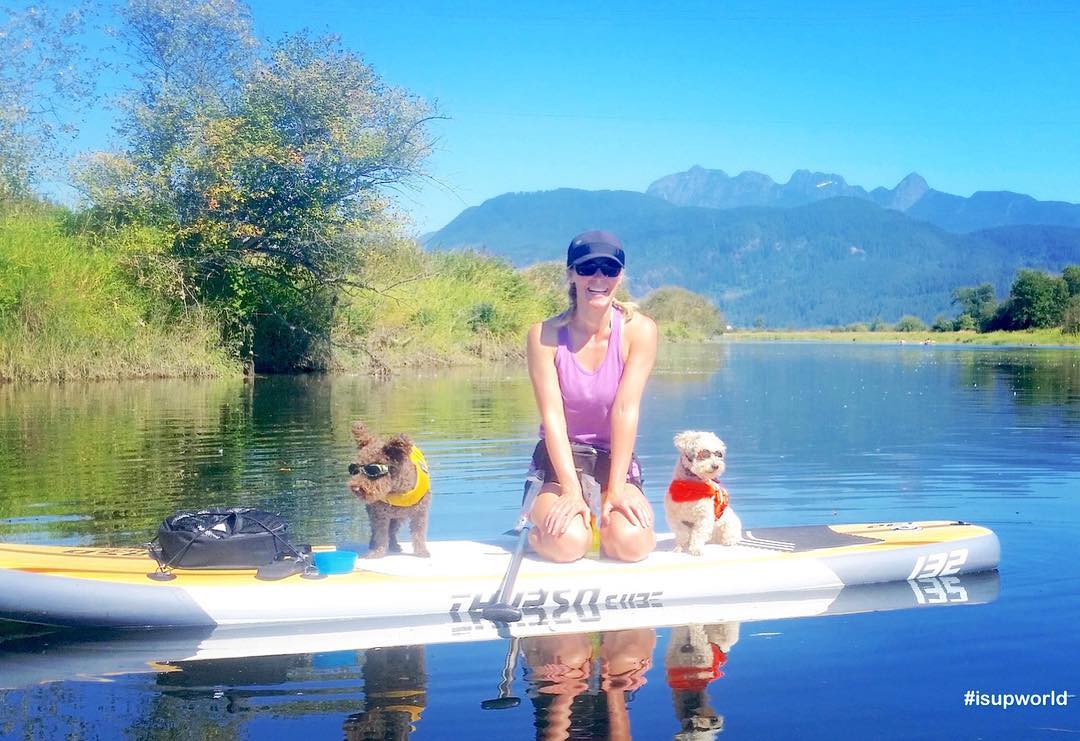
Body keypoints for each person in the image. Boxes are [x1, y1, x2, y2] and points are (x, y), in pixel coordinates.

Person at [525, 230, 658, 562]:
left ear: (620, 276)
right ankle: (535, 528)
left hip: (613, 459)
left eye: (609, 269)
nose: (598, 277)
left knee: (631, 545)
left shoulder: (639, 331)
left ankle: (604, 520)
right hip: (560, 461)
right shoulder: (544, 335)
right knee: (568, 545)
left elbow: (626, 411)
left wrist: (615, 489)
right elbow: (553, 418)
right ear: (571, 273)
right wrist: (570, 488)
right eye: (588, 268)